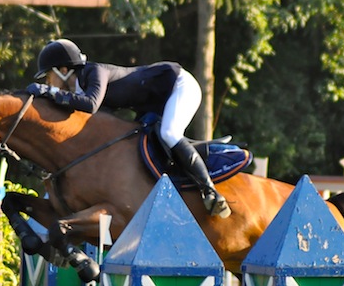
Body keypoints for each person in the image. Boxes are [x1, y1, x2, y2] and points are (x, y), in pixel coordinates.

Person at [28, 38, 230, 218]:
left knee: (169, 133)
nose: (47, 82)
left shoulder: (94, 71)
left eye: (47, 77)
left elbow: (91, 104)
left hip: (178, 85)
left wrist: (49, 91)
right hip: (155, 104)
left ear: (63, 70)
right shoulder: (78, 89)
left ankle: (210, 191)